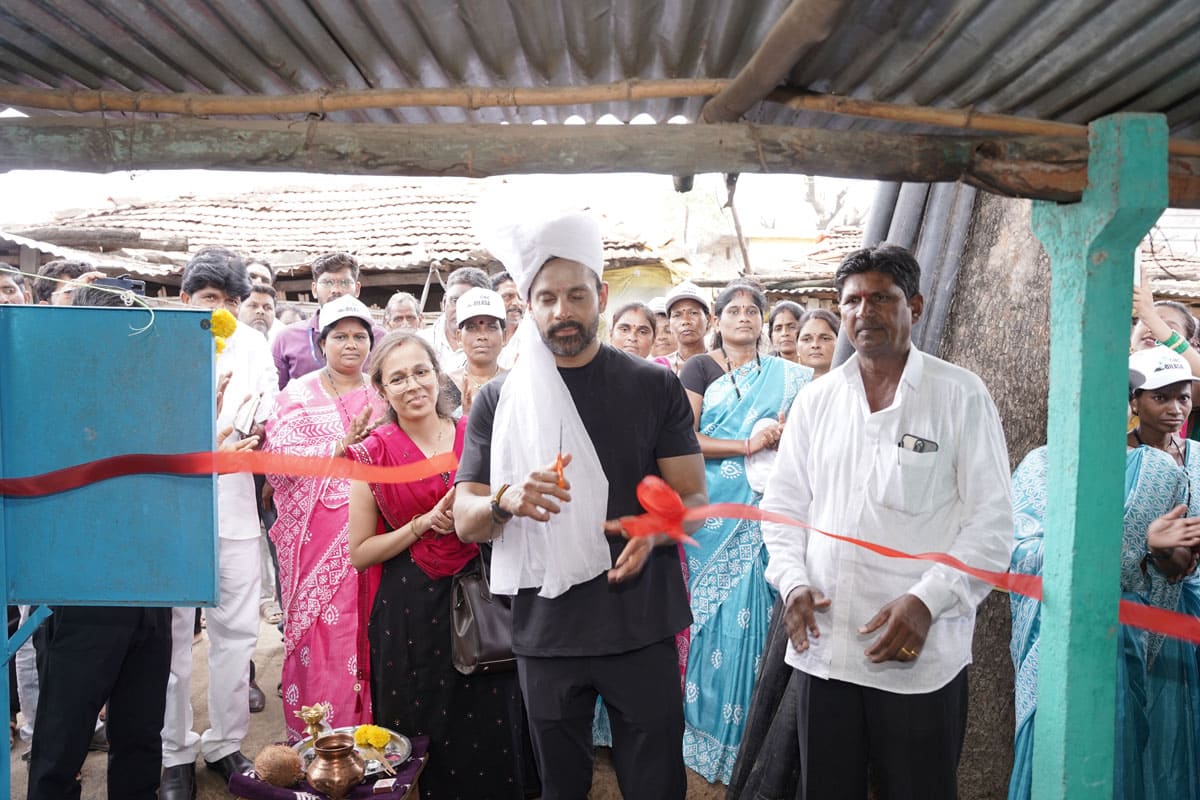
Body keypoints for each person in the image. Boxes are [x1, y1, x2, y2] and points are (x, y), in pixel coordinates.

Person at [454, 210, 707, 800]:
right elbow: (466, 519)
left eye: (575, 295)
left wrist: (661, 527)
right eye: (547, 298)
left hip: (640, 622)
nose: (561, 311)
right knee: (560, 788)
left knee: (656, 786)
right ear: (527, 305)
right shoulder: (499, 400)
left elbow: (695, 495)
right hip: (545, 632)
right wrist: (506, 499)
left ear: (602, 296)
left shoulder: (652, 385)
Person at [756, 244, 1013, 798]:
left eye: (881, 298)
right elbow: (783, 507)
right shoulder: (817, 400)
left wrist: (927, 601)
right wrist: (792, 582)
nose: (864, 312)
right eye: (852, 301)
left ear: (914, 306)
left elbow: (993, 525)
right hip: (825, 650)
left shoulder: (959, 395)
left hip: (919, 658)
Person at [1008, 346, 1200, 800]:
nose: (1174, 408)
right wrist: (1138, 547)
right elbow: (1020, 552)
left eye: (1184, 397)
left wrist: (1158, 553)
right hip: (1058, 636)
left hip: (1132, 638)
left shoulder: (1155, 470)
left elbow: (1172, 566)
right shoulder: (1040, 466)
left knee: (1130, 751)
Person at [347, 332, 531, 799]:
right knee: (422, 718)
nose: (413, 385)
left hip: (484, 591)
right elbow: (359, 552)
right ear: (381, 390)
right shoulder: (373, 454)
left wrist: (483, 511)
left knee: (493, 710)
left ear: (437, 374)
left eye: (420, 372)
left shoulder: (475, 434)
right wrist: (422, 523)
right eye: (398, 378)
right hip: (411, 611)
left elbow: (511, 499)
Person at [23, 285, 183, 800]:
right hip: (82, 592)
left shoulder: (164, 401)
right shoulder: (54, 400)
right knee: (62, 738)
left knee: (141, 734)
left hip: (152, 589)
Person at [677, 281, 810, 783]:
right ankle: (702, 728)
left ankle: (746, 738)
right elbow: (686, 438)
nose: (744, 318)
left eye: (752, 311)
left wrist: (781, 435)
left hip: (766, 505)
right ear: (717, 321)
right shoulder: (699, 368)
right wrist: (746, 445)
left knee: (756, 612)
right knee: (710, 617)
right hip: (713, 505)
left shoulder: (788, 376)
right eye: (733, 311)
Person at [159, 246, 279, 800]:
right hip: (174, 507)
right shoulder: (158, 340)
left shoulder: (253, 343)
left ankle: (225, 743)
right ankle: (174, 751)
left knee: (237, 632)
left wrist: (259, 428)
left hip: (234, 505)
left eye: (232, 300)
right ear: (185, 298)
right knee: (174, 638)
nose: (221, 310)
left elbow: (268, 406)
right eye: (210, 298)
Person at [264, 295, 386, 743]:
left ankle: (374, 736)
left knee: (371, 625)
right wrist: (338, 447)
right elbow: (278, 463)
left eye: (360, 336)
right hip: (315, 537)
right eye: (340, 336)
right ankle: (320, 738)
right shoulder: (296, 395)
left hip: (375, 530)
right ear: (321, 344)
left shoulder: (383, 392)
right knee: (323, 629)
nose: (351, 345)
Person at [271, 252, 384, 390]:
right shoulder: (286, 338)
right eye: (327, 283)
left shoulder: (380, 338)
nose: (336, 290)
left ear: (357, 289)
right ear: (314, 289)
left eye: (345, 282)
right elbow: (276, 393)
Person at [444, 287, 507, 416]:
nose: (482, 336)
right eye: (472, 328)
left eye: (491, 327)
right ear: (459, 337)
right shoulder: (443, 386)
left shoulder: (514, 382)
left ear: (504, 337)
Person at [420, 267, 491, 373]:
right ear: (444, 302)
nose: (460, 309)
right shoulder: (420, 342)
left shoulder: (495, 347)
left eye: (469, 302)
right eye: (455, 300)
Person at [665, 281, 711, 374]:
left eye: (693, 313)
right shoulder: (661, 367)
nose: (685, 321)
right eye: (677, 315)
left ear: (708, 320)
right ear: (669, 324)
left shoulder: (723, 364)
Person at [795, 308, 840, 378]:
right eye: (806, 339)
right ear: (796, 346)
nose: (815, 345)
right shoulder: (783, 382)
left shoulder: (852, 382)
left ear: (839, 343)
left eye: (825, 339)